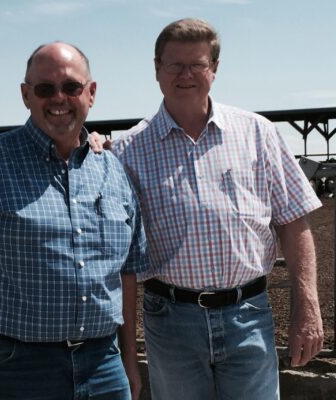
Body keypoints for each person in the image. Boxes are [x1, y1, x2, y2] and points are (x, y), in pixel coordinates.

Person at [0, 41, 148, 400]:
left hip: (103, 363)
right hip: (15, 368)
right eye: (45, 89)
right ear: (26, 95)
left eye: (71, 87)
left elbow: (127, 272)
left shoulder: (113, 172)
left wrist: (129, 362)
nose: (59, 98)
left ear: (91, 93)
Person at [109, 18, 324, 399]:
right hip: (171, 318)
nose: (185, 74)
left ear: (215, 69)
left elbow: (294, 222)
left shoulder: (258, 133)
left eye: (197, 64)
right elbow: (115, 249)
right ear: (157, 69)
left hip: (249, 314)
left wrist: (307, 308)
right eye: (174, 64)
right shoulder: (128, 151)